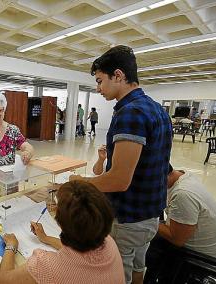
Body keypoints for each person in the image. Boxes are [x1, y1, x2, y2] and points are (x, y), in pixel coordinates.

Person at [70, 45, 173, 284]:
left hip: (129, 219)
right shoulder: (157, 109)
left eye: (100, 81)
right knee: (139, 266)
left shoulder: (131, 113)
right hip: (151, 214)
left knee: (119, 276)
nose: (98, 88)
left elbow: (119, 179)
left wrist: (81, 183)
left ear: (118, 75)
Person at [0, 180, 125, 284]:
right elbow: (77, 253)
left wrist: (11, 246)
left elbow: (4, 280)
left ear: (60, 221)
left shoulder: (47, 266)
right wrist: (46, 238)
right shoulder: (108, 241)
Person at [157, 164, 216, 257]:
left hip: (201, 258)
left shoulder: (183, 194)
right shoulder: (184, 175)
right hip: (194, 239)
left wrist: (149, 221)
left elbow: (177, 240)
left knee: (141, 238)